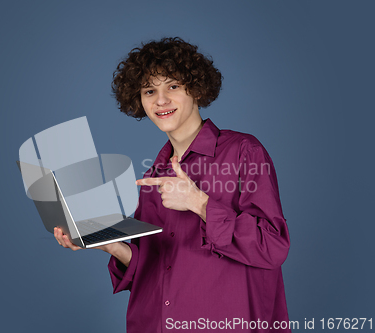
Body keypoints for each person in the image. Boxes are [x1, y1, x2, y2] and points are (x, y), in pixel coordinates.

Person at [54, 37, 291, 333]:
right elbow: (155, 269)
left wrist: (199, 203)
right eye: (149, 91)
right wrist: (111, 245)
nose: (161, 100)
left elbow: (273, 248)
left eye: (173, 86)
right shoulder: (155, 176)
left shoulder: (244, 151)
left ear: (196, 89)